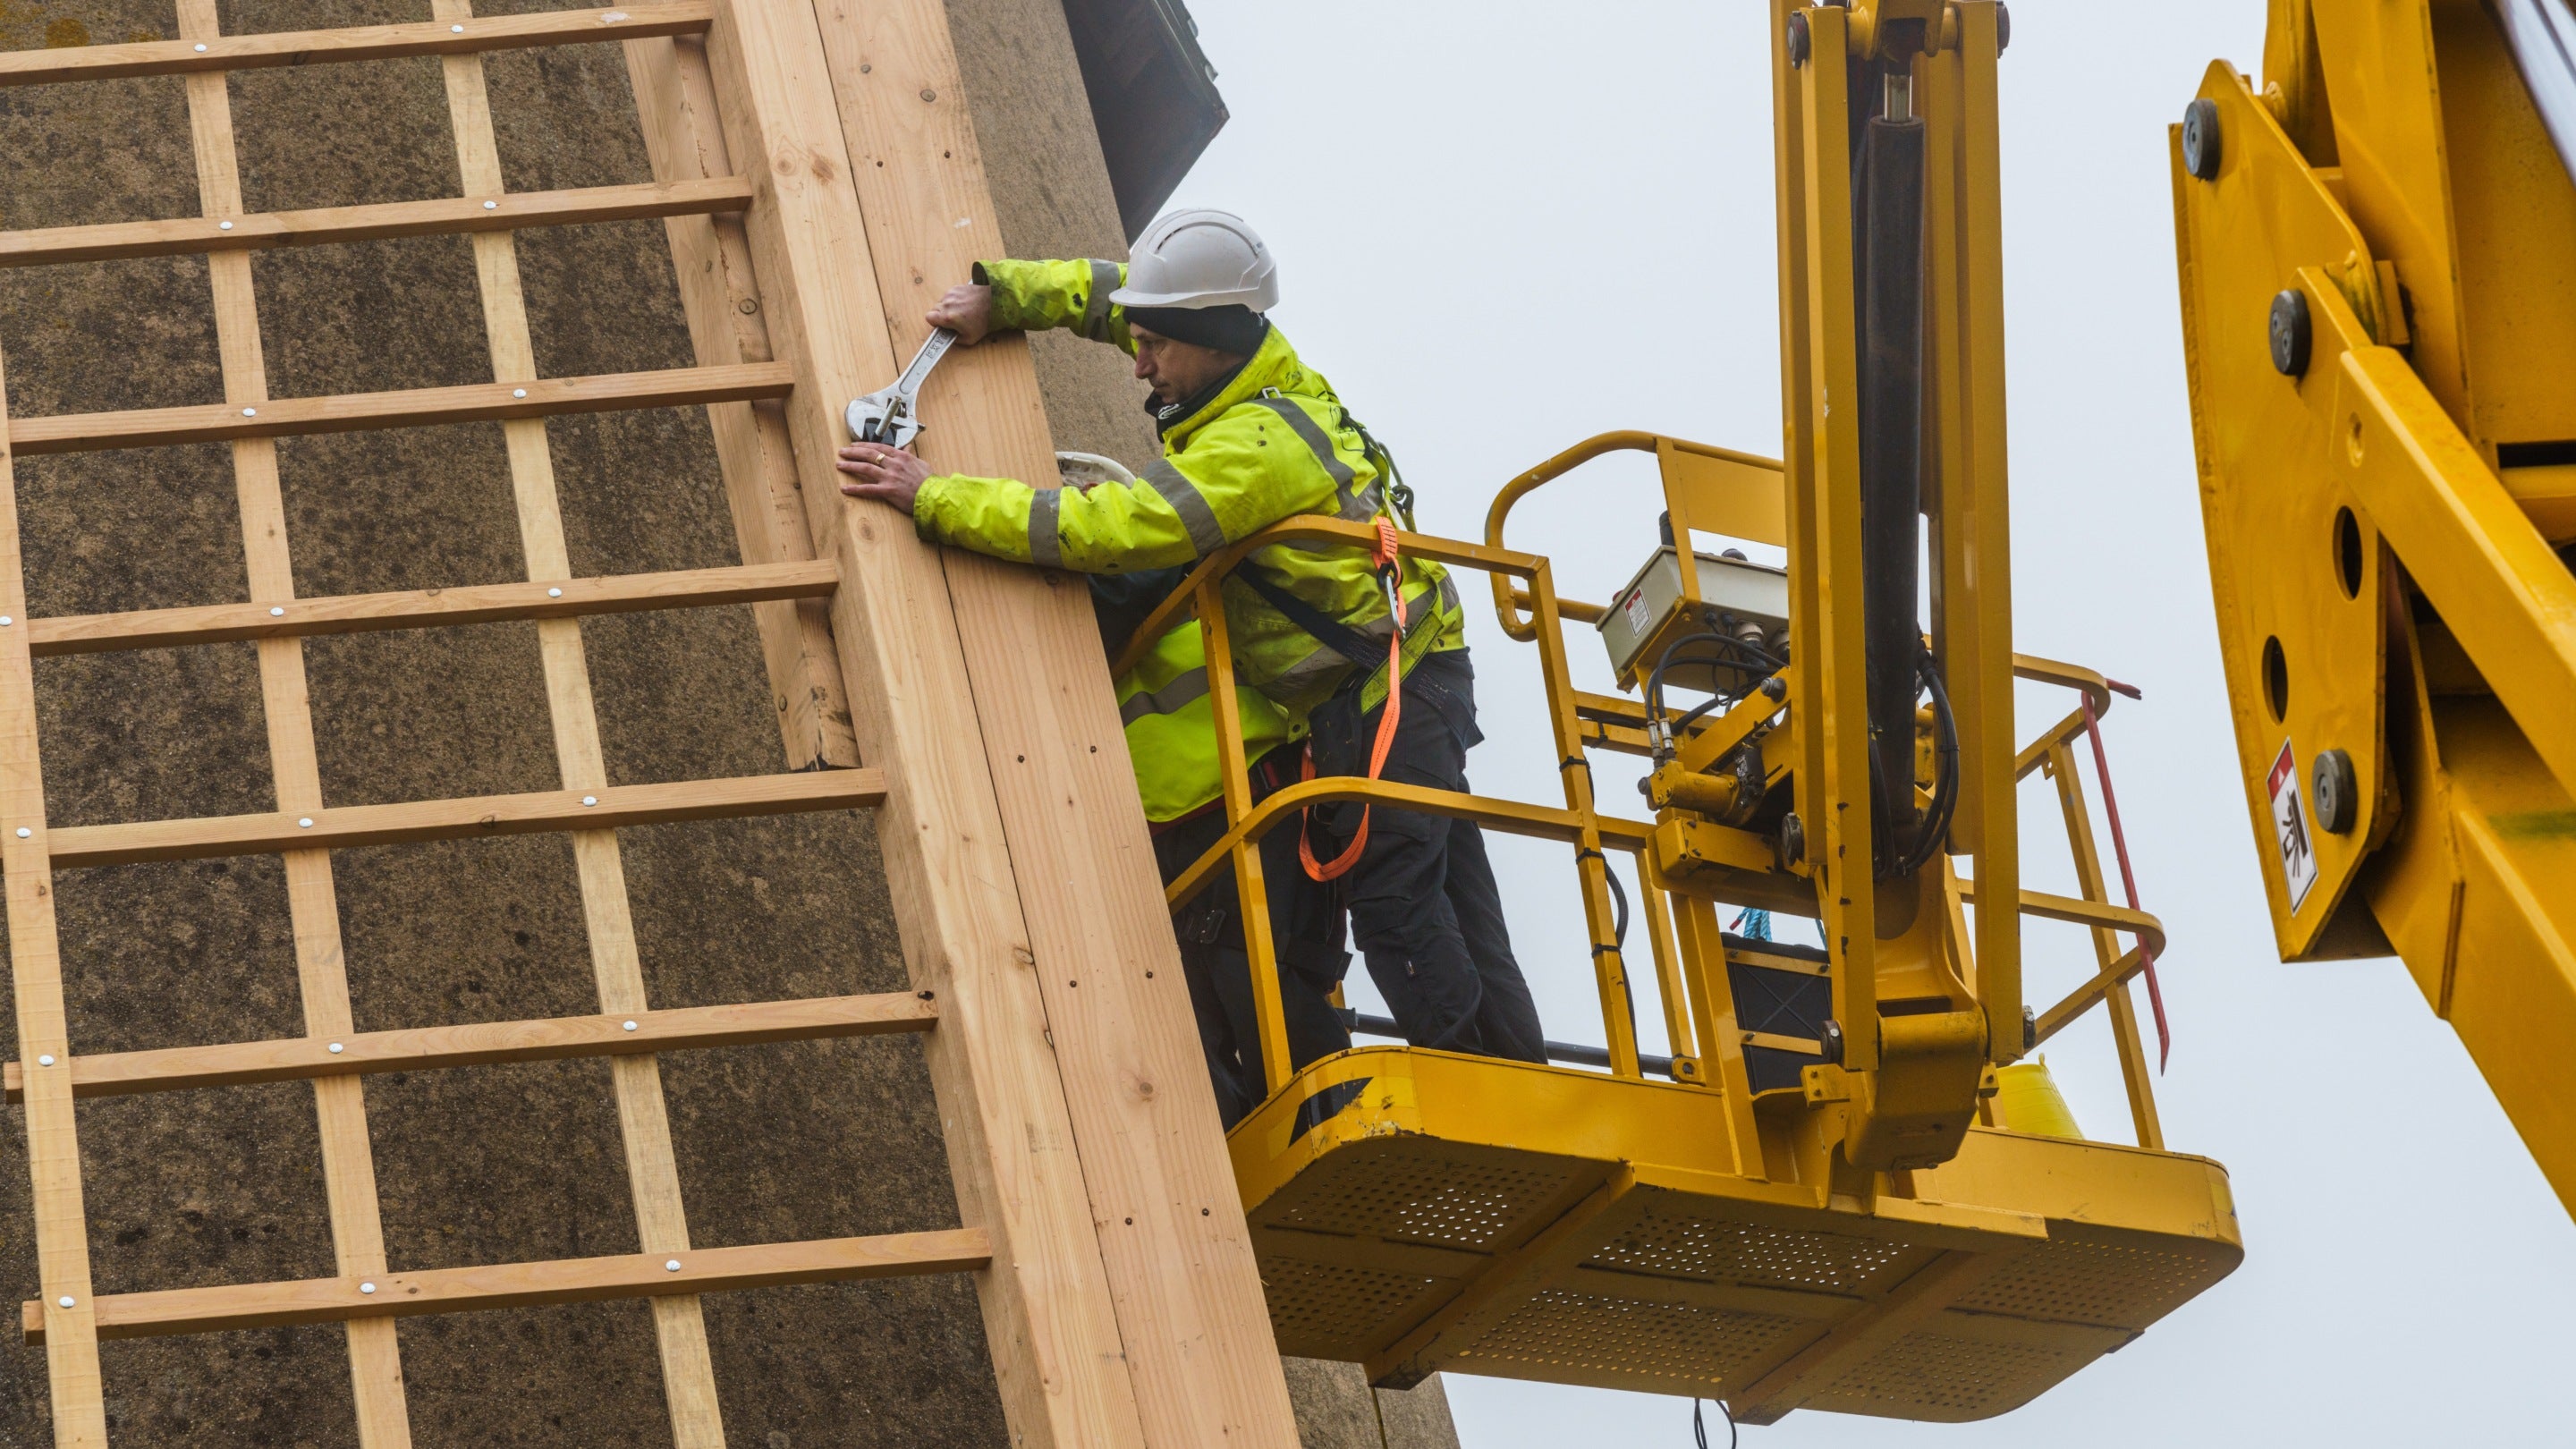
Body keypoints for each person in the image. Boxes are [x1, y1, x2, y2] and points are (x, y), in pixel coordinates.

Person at [836, 208, 1544, 1065]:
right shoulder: (1238, 369)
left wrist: (933, 495)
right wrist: (1005, 297)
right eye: (1137, 340)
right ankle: (1524, 1074)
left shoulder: (1258, 450)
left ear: (1210, 341)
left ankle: (1482, 1091)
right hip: (1400, 676)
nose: (1140, 365)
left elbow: (1117, 529)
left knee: (1397, 901)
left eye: (1156, 349)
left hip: (1388, 687)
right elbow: (1112, 298)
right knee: (1458, 896)